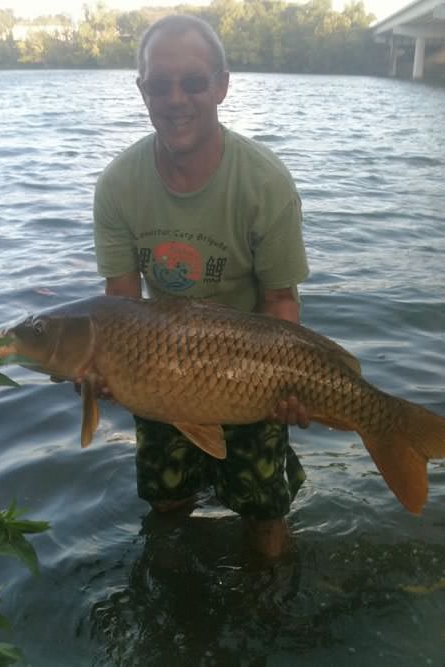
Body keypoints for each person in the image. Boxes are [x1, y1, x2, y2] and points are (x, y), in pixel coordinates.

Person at [93, 14, 310, 558]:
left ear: (221, 84)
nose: (176, 99)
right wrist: (100, 369)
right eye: (159, 84)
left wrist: (290, 388)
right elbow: (118, 304)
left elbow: (280, 301)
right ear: (142, 90)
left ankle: (266, 601)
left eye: (193, 82)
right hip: (160, 364)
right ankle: (174, 587)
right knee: (165, 503)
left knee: (264, 512)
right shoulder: (118, 184)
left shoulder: (266, 182)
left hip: (254, 369)